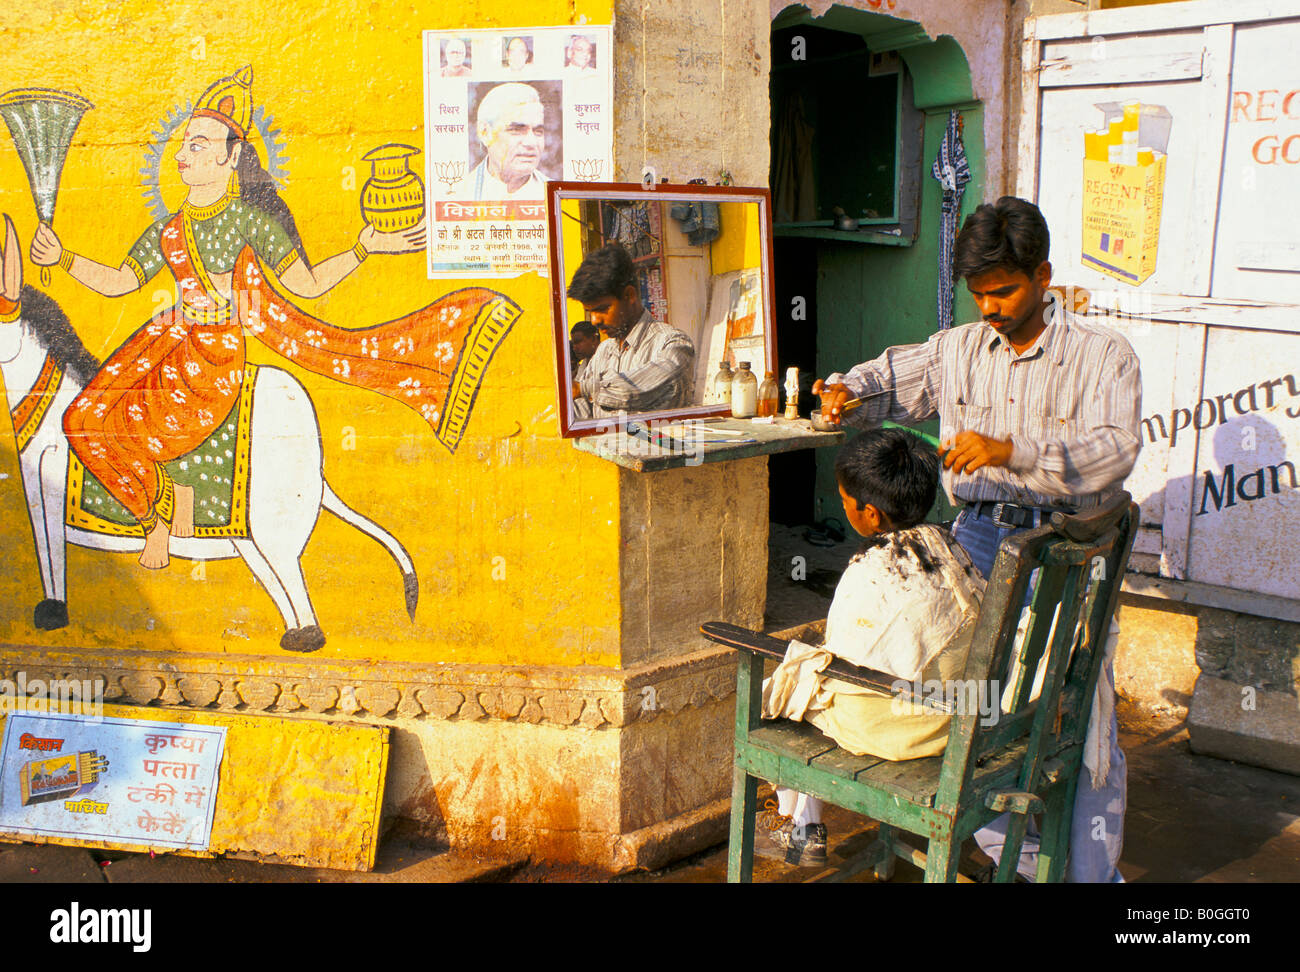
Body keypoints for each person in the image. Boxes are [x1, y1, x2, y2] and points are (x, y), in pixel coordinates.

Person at [30, 66, 489, 572]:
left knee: (131, 423)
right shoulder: (167, 228)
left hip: (212, 356)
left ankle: (154, 523)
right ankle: (161, 498)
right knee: (81, 420)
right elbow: (121, 281)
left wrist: (365, 247)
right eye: (184, 145)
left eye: (200, 146)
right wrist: (64, 258)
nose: (182, 156)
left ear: (231, 157)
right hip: (161, 340)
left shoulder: (252, 222)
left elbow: (306, 284)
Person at [814, 196, 1142, 882]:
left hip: (1067, 552)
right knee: (981, 700)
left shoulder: (1103, 355)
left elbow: (1115, 452)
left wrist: (1013, 451)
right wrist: (846, 388)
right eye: (980, 294)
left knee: (1073, 705)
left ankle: (1087, 872)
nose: (989, 306)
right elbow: (886, 378)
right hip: (979, 541)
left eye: (1004, 291)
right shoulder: (959, 349)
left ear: (1043, 276)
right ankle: (1003, 850)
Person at [757, 427, 985, 866]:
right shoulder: (951, 548)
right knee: (809, 674)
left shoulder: (873, 573)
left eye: (845, 501)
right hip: (954, 713)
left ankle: (797, 829)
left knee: (786, 687)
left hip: (898, 728)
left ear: (871, 515)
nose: (844, 508)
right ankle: (801, 829)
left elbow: (847, 659)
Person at [566, 243, 694, 418]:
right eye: (590, 312)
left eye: (602, 309)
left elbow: (642, 389)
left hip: (660, 445)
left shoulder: (672, 344)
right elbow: (584, 411)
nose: (595, 320)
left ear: (629, 295)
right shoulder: (604, 352)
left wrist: (584, 388)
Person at [468, 82, 549, 200]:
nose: (531, 143)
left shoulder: (559, 196)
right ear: (485, 133)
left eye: (538, 131)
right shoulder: (457, 196)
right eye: (516, 130)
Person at [569, 320, 602, 419]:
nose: (575, 347)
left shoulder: (607, 359)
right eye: (573, 343)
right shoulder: (584, 364)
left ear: (593, 339)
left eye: (578, 342)